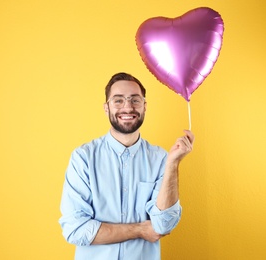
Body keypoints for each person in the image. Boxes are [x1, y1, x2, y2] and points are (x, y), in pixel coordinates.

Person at [59, 72, 194, 260]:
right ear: (106, 108)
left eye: (135, 100)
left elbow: (163, 225)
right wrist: (139, 229)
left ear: (145, 107)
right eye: (118, 100)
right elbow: (76, 230)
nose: (128, 107)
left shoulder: (162, 159)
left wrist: (173, 163)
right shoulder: (83, 158)